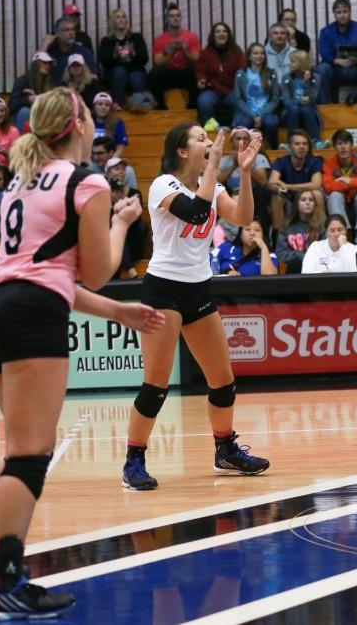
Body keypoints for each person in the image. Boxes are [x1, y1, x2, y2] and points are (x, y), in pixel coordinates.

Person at [0, 87, 161, 618]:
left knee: (16, 449)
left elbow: (47, 272)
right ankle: (5, 582)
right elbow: (94, 271)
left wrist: (118, 313)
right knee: (30, 454)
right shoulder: (85, 180)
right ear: (79, 127)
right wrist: (119, 224)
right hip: (29, 316)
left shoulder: (21, 182)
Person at [122, 122, 269, 491]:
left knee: (223, 381)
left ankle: (225, 449)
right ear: (183, 152)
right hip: (163, 291)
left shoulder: (215, 186)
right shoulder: (162, 185)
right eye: (201, 139)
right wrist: (217, 162)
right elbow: (195, 213)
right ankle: (134, 460)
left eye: (209, 139)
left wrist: (247, 173)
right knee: (156, 385)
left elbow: (243, 218)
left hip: (198, 289)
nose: (209, 142)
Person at [316, 0, 357, 105]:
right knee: (322, 68)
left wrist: (356, 61)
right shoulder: (326, 31)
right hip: (336, 70)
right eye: (339, 12)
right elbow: (325, 54)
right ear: (334, 14)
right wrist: (337, 61)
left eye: (345, 11)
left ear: (350, 12)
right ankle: (324, 106)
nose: (342, 15)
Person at [322, 129, 357, 246]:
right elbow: (328, 186)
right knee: (334, 196)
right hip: (340, 206)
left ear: (351, 145)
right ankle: (343, 235)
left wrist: (348, 180)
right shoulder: (329, 163)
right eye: (339, 144)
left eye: (346, 143)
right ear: (335, 147)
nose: (343, 147)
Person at [268, 130, 323, 230]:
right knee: (277, 197)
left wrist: (288, 186)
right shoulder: (281, 161)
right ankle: (279, 236)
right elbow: (271, 182)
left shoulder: (314, 161)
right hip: (288, 197)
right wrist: (279, 189)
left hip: (307, 197)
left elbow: (316, 184)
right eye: (297, 144)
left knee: (317, 194)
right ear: (290, 147)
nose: (301, 147)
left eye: (304, 144)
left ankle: (319, 231)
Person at [150, 3, 201, 110]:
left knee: (196, 71)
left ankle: (192, 106)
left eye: (178, 15)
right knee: (154, 73)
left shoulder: (191, 36)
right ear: (167, 19)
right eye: (172, 16)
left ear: (181, 18)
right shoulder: (160, 39)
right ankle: (161, 106)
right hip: (168, 74)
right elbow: (158, 63)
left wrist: (183, 50)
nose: (175, 18)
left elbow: (196, 59)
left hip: (185, 73)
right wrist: (171, 51)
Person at [195, 22, 245, 126]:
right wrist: (201, 80)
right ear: (213, 35)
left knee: (239, 100)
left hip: (232, 90)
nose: (221, 33)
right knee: (204, 101)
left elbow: (243, 70)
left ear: (228, 35)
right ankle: (212, 129)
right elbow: (201, 70)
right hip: (212, 90)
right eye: (218, 31)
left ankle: (236, 129)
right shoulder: (206, 53)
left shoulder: (237, 52)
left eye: (224, 31)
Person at [106, 157, 148, 279]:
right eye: (116, 169)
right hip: (113, 241)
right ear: (108, 173)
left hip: (133, 239)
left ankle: (128, 269)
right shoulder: (103, 193)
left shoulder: (135, 193)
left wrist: (123, 198)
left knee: (140, 225)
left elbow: (136, 219)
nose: (121, 172)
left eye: (123, 169)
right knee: (114, 230)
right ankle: (130, 270)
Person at [232, 43, 280, 149]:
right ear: (249, 56)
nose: (259, 56)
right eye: (256, 53)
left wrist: (261, 115)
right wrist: (253, 115)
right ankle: (242, 152)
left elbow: (275, 99)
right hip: (246, 111)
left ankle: (274, 149)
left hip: (266, 112)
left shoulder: (271, 73)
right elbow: (238, 99)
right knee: (243, 123)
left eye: (262, 53)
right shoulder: (241, 74)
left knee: (271, 122)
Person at [98, 9, 150, 106]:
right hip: (114, 74)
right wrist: (115, 56)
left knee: (136, 77)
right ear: (112, 22)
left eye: (123, 17)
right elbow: (104, 63)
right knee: (120, 71)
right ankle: (116, 105)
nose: (121, 19)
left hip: (134, 70)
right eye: (118, 17)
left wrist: (133, 53)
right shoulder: (106, 41)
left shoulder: (136, 37)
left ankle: (141, 105)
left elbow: (144, 59)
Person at [280, 50, 324, 147]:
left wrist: (306, 83)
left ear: (301, 63)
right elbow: (287, 102)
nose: (290, 64)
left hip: (309, 111)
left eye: (293, 61)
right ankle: (291, 142)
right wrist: (300, 101)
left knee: (305, 109)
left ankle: (315, 141)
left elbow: (312, 98)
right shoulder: (286, 78)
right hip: (289, 113)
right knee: (295, 108)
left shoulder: (315, 77)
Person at [276, 188, 325, 274]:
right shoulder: (287, 227)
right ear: (297, 204)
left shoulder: (321, 225)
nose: (308, 202)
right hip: (293, 271)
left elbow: (325, 252)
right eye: (303, 200)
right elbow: (280, 254)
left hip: (316, 270)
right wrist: (298, 255)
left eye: (311, 200)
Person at [47, 16, 99, 85]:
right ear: (57, 33)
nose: (71, 33)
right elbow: (35, 69)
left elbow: (94, 77)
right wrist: (45, 44)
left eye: (73, 29)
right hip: (53, 92)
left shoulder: (84, 52)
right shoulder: (50, 52)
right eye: (66, 30)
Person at [9, 52, 54, 131]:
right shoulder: (22, 80)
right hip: (21, 116)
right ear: (35, 64)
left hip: (40, 114)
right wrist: (29, 99)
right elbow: (12, 105)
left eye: (49, 63)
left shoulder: (49, 83)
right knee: (25, 111)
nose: (47, 66)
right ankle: (23, 142)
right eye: (44, 62)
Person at [92, 92, 128, 156]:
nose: (103, 107)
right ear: (94, 106)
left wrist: (110, 163)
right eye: (100, 104)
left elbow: (120, 148)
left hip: (110, 161)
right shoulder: (87, 123)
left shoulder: (118, 123)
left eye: (107, 105)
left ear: (110, 108)